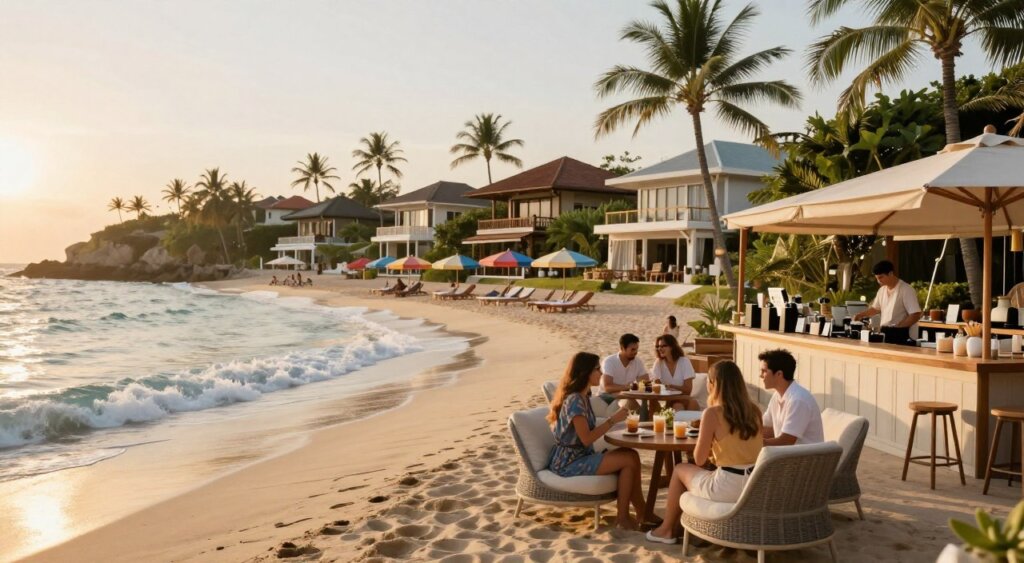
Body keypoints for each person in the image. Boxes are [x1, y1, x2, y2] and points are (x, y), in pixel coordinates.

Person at [646, 361, 763, 544]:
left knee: (680, 469)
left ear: (713, 384)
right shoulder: (755, 411)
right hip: (754, 484)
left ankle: (666, 529)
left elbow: (699, 460)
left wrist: (709, 444)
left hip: (726, 486)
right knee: (703, 473)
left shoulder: (713, 414)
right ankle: (684, 527)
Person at [548, 352, 645, 530]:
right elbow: (586, 439)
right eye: (597, 369)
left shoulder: (584, 397)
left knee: (631, 455)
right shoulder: (575, 400)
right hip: (569, 462)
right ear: (585, 372)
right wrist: (612, 420)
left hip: (580, 455)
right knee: (628, 459)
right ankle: (623, 518)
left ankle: (641, 513)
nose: (601, 373)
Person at [758, 349, 824, 446]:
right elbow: (768, 429)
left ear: (779, 374)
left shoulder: (799, 400)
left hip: (803, 459)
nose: (760, 375)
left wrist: (754, 444)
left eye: (764, 371)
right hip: (786, 456)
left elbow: (786, 441)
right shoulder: (777, 396)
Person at [853, 259, 922, 344]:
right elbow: (875, 309)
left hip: (904, 335)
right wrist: (861, 315)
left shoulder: (906, 289)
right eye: (877, 278)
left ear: (890, 273)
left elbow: (915, 314)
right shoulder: (881, 290)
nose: (879, 281)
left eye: (881, 277)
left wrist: (899, 327)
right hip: (886, 333)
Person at [600, 334, 649, 410]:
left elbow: (646, 384)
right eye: (632, 349)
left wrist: (640, 386)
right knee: (630, 401)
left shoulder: (637, 362)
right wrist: (628, 387)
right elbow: (607, 387)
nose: (635, 352)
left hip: (626, 396)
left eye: (636, 349)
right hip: (606, 398)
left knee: (649, 402)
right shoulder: (609, 362)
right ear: (622, 348)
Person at [651, 334, 699, 410]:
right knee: (652, 404)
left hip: (682, 398)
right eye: (658, 346)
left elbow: (688, 390)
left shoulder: (684, 362)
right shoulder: (658, 363)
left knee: (678, 405)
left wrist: (671, 386)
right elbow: (656, 386)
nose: (660, 349)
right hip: (667, 400)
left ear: (672, 346)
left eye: (663, 346)